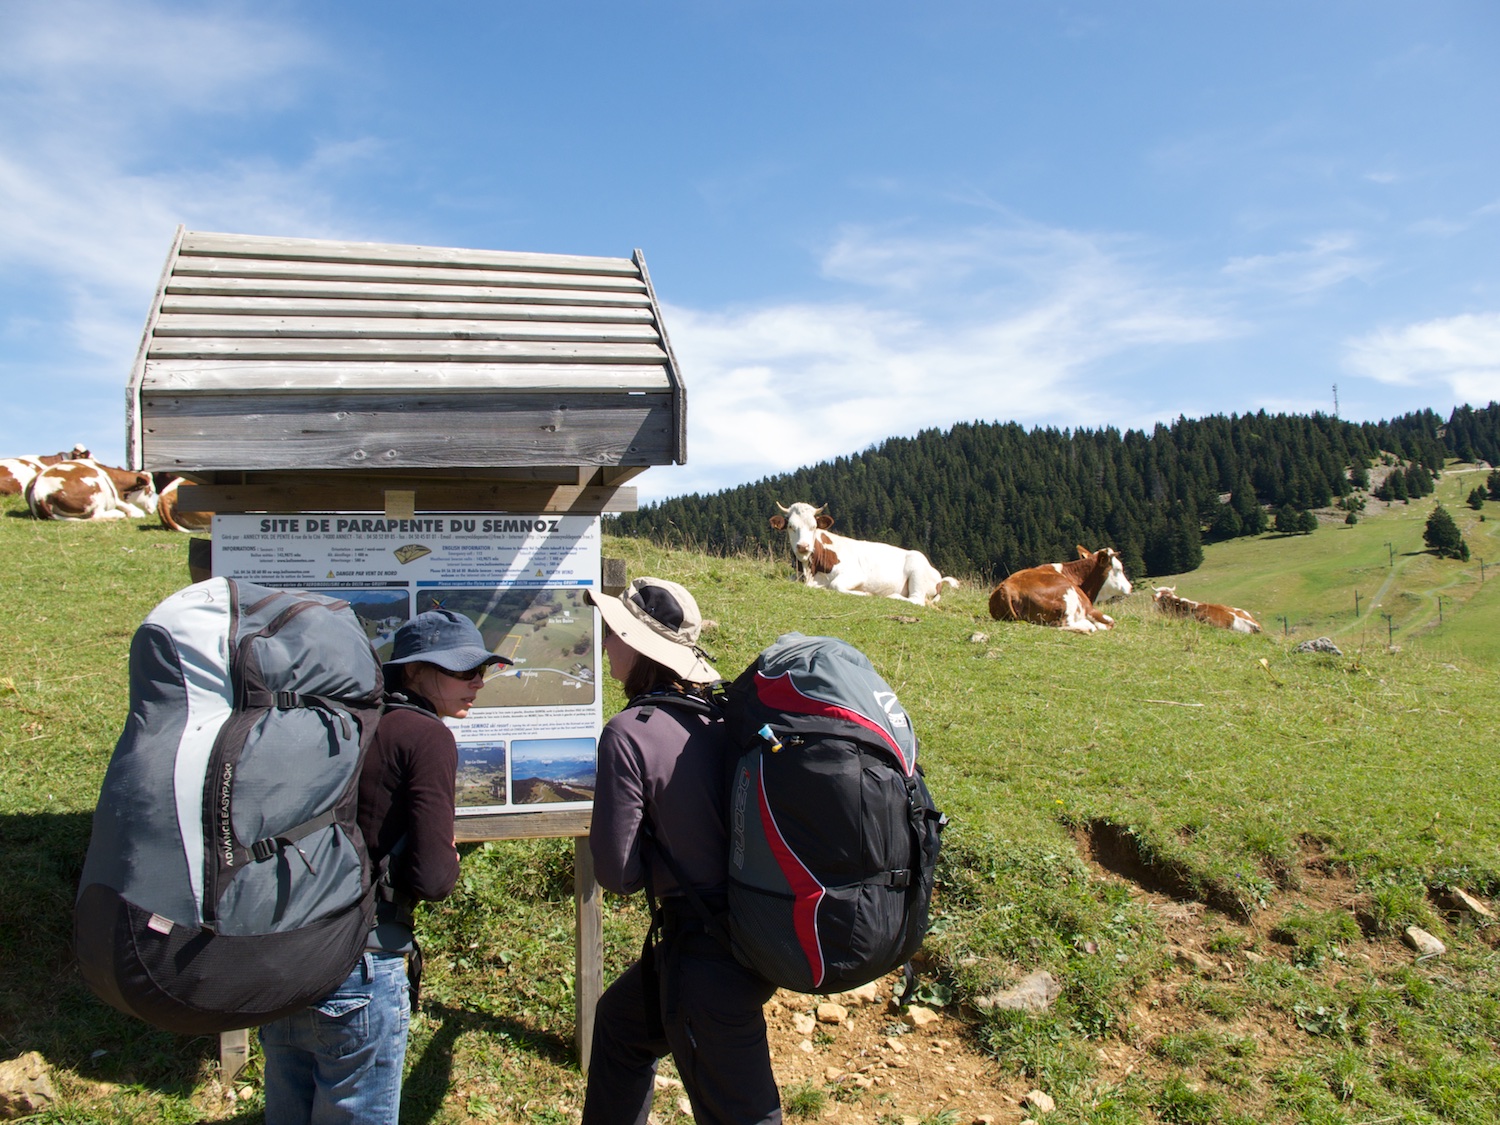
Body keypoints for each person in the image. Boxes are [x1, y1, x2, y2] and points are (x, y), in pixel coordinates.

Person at [260, 609, 510, 1124]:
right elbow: (434, 878)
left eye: (482, 670)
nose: (478, 683)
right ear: (414, 672)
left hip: (286, 957)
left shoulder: (345, 721)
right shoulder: (426, 737)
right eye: (463, 671)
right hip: (362, 962)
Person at [581, 578, 782, 1125]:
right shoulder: (720, 717)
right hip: (750, 929)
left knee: (742, 1112)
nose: (604, 642)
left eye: (612, 631)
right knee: (622, 1026)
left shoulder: (628, 733)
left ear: (639, 644)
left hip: (702, 955)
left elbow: (618, 874)